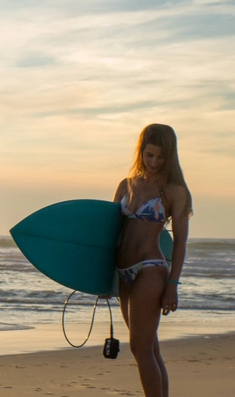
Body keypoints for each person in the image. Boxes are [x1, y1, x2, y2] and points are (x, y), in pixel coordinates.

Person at [113, 124, 191, 397]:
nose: (155, 162)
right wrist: (101, 279)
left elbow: (180, 242)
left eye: (161, 157)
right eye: (149, 155)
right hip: (123, 273)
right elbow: (110, 234)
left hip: (151, 269)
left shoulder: (174, 191)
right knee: (150, 347)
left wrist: (173, 284)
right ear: (141, 152)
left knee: (140, 348)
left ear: (170, 156)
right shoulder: (126, 185)